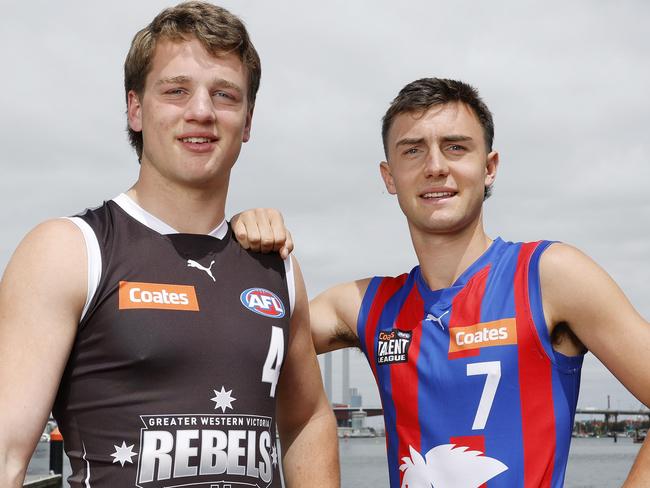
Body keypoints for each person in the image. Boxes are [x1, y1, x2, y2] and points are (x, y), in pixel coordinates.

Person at [232, 78, 650, 487]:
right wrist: (239, 241)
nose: (435, 167)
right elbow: (229, 333)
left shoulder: (549, 275)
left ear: (489, 168)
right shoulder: (363, 305)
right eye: (412, 151)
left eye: (455, 147)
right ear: (389, 177)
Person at [0, 3, 338, 487]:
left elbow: (307, 418)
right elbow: (7, 456)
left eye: (224, 95)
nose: (201, 111)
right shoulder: (69, 251)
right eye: (176, 91)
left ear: (246, 121)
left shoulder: (277, 267)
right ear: (136, 108)